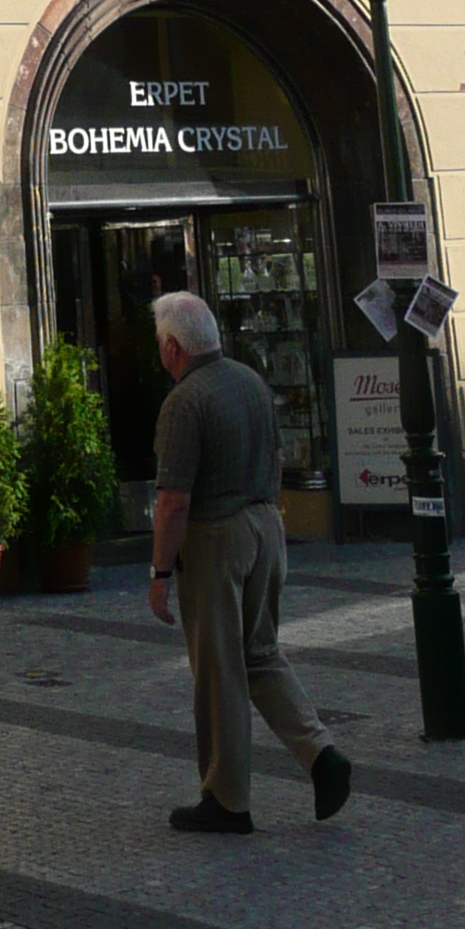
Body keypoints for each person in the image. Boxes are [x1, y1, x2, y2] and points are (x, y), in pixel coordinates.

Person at [146, 291, 351, 834]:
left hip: (217, 537)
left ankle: (227, 798)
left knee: (219, 671)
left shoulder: (184, 402)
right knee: (260, 655)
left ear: (173, 347)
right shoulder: (250, 381)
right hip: (266, 524)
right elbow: (280, 456)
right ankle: (322, 754)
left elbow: (173, 501)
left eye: (159, 345)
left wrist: (159, 574)